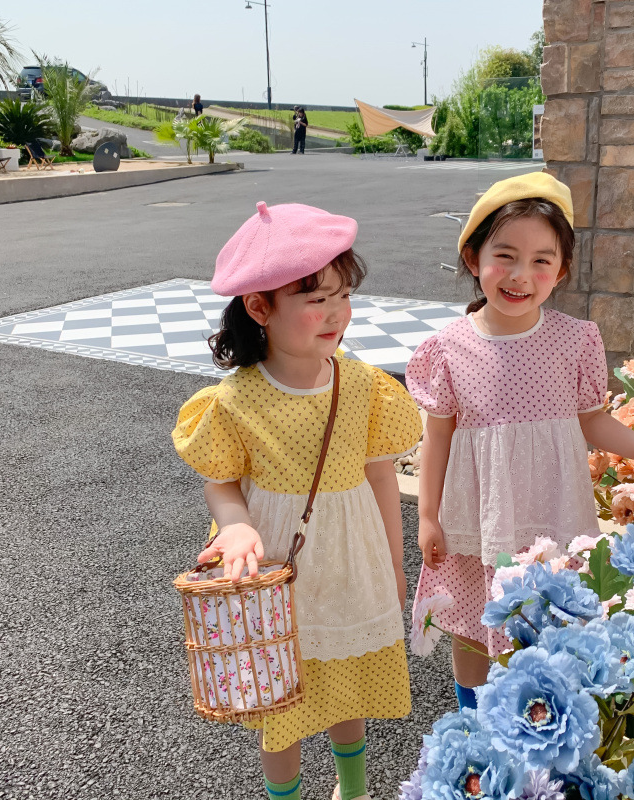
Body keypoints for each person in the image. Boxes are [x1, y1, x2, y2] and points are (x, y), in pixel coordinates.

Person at [405, 172, 634, 711]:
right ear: (474, 259)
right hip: (479, 513)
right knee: (474, 623)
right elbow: (438, 436)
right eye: (506, 255)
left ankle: (541, 722)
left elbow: (592, 421)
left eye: (542, 259)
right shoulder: (448, 348)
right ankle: (474, 723)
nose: (521, 274)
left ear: (560, 271)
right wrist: (427, 514)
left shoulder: (575, 339)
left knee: (549, 619)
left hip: (551, 508)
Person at [172, 201, 422, 800]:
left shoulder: (362, 385)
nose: (336, 312)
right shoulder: (235, 400)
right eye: (316, 299)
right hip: (277, 567)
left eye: (342, 294)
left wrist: (395, 560)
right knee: (278, 702)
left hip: (351, 556)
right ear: (260, 308)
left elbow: (381, 475)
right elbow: (221, 480)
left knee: (348, 685)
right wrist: (232, 525)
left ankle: (353, 789)